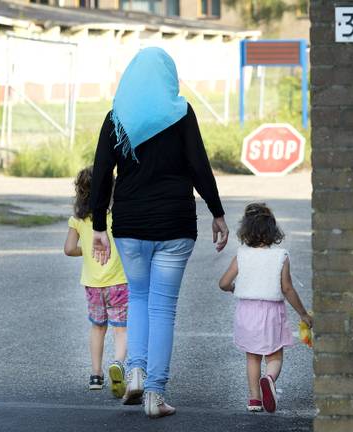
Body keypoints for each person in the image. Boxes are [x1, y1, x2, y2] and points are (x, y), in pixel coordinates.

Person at [90, 47, 229, 419]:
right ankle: (155, 393)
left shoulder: (116, 116)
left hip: (130, 225)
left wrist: (98, 225)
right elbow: (199, 165)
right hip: (174, 224)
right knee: (162, 308)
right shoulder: (180, 113)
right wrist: (217, 212)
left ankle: (135, 370)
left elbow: (102, 171)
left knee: (137, 297)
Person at [218, 203, 313, 413]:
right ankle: (269, 379)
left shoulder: (241, 255)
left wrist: (234, 288)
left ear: (246, 232)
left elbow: (223, 283)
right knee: (274, 356)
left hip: (247, 312)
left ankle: (254, 399)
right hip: (271, 313)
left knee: (252, 357)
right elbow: (287, 288)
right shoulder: (280, 256)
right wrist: (303, 314)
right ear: (273, 232)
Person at [63, 166, 128, 399]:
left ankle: (95, 375)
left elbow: (69, 249)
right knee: (121, 328)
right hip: (119, 281)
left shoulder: (78, 219)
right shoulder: (117, 214)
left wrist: (88, 252)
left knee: (98, 327)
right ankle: (119, 364)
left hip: (92, 283)